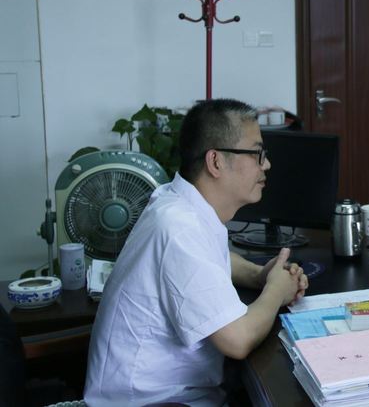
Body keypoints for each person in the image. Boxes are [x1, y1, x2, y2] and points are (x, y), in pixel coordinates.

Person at [85, 98, 308, 406]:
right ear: (215, 162)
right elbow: (238, 339)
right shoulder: (180, 228)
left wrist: (259, 275)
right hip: (155, 402)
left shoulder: (177, 203)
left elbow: (207, 261)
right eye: (257, 153)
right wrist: (275, 291)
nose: (266, 164)